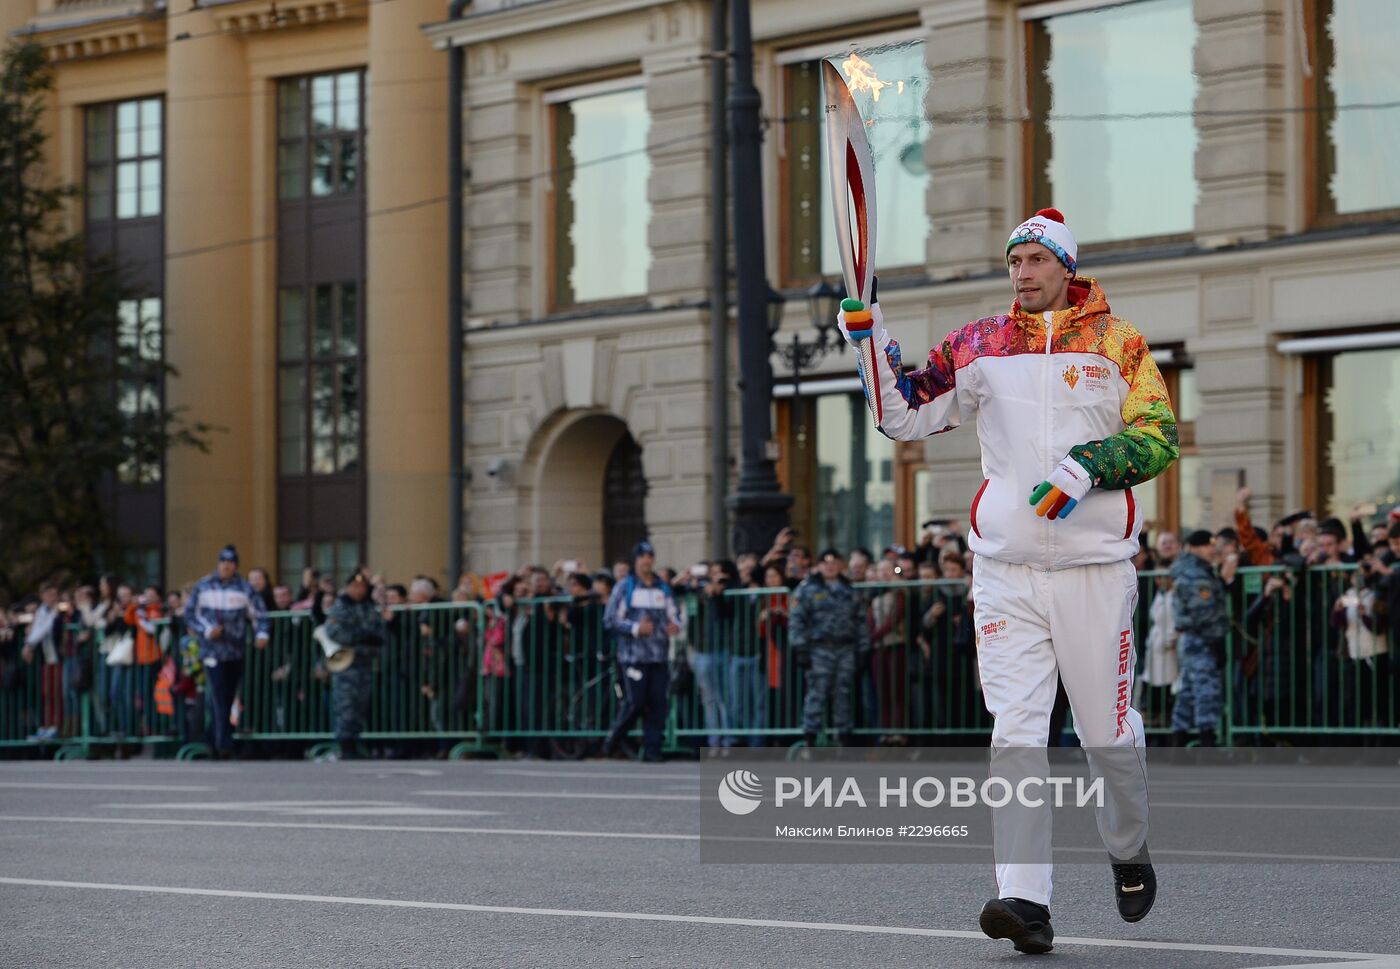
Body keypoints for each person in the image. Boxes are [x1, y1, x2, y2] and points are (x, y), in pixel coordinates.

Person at [839, 207, 1177, 951]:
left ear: (1064, 266)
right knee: (1016, 731)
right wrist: (868, 341)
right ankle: (1024, 897)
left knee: (1106, 735)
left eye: (1033, 260)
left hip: (1094, 571)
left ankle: (1127, 844)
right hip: (1005, 570)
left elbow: (1158, 435)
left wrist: (1090, 464)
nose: (1020, 273)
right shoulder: (980, 343)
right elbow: (904, 412)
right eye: (1013, 261)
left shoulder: (1116, 342)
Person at [187, 545, 270, 758]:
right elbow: (190, 615)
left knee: (228, 695)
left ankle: (215, 740)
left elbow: (259, 613)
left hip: (235, 651)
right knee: (218, 694)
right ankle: (223, 743)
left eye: (231, 563)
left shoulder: (244, 588)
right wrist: (206, 631)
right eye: (223, 562)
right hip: (212, 651)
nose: (226, 566)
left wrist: (262, 634)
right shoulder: (203, 586)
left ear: (236, 566)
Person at [603, 540, 680, 762]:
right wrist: (636, 628)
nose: (647, 560)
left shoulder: (662, 588)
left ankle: (652, 749)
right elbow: (610, 620)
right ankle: (614, 739)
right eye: (643, 556)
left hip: (658, 655)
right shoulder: (625, 587)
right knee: (635, 701)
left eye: (650, 556)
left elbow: (675, 615)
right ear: (636, 560)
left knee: (658, 703)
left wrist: (676, 627)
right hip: (633, 656)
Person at [790, 549, 869, 749]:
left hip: (845, 648)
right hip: (819, 648)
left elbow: (860, 622)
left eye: (834, 563)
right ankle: (810, 737)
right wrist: (800, 648)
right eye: (825, 563)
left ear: (841, 565)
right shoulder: (808, 590)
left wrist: (863, 650)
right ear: (819, 566)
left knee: (843, 693)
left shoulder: (850, 591)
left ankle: (843, 736)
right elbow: (797, 620)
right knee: (817, 693)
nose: (830, 566)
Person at [1169, 531, 1227, 746]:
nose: (1211, 550)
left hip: (1194, 637)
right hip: (1201, 638)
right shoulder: (1195, 573)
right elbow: (1203, 610)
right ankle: (1207, 740)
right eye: (1205, 546)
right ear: (1193, 548)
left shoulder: (1196, 570)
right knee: (1206, 689)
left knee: (1188, 691)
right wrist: (1217, 638)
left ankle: (1179, 738)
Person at [323, 569, 388, 758]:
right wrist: (358, 637)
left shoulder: (369, 607)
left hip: (366, 662)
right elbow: (334, 631)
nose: (359, 590)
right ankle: (345, 744)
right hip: (346, 664)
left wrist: (374, 639)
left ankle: (356, 741)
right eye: (355, 586)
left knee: (361, 704)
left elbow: (380, 632)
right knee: (346, 704)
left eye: (362, 587)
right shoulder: (341, 606)